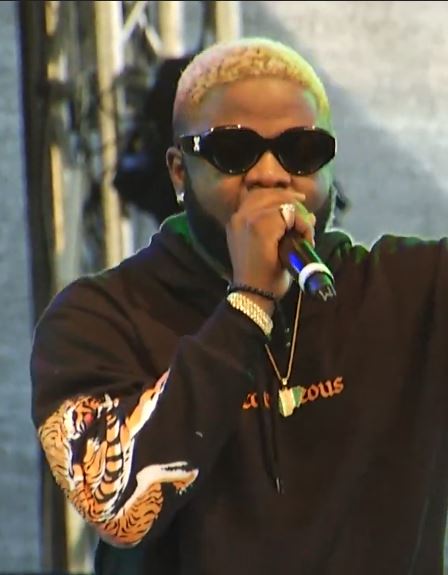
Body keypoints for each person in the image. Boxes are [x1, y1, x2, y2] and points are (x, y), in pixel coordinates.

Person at [30, 36, 448, 575]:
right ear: (179, 171)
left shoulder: (412, 291)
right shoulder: (98, 317)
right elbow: (117, 509)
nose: (271, 173)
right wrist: (248, 303)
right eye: (233, 150)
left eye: (302, 150)